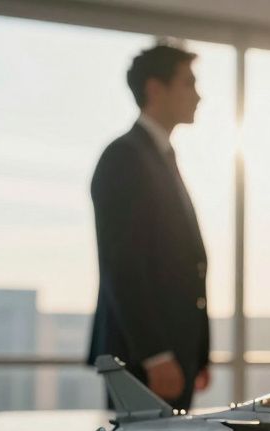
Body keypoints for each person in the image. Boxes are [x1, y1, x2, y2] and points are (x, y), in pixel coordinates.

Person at [87, 44, 210, 411]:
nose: (198, 95)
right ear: (156, 89)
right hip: (144, 356)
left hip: (175, 350)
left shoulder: (161, 156)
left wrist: (198, 352)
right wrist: (155, 355)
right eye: (189, 83)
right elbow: (122, 264)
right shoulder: (124, 157)